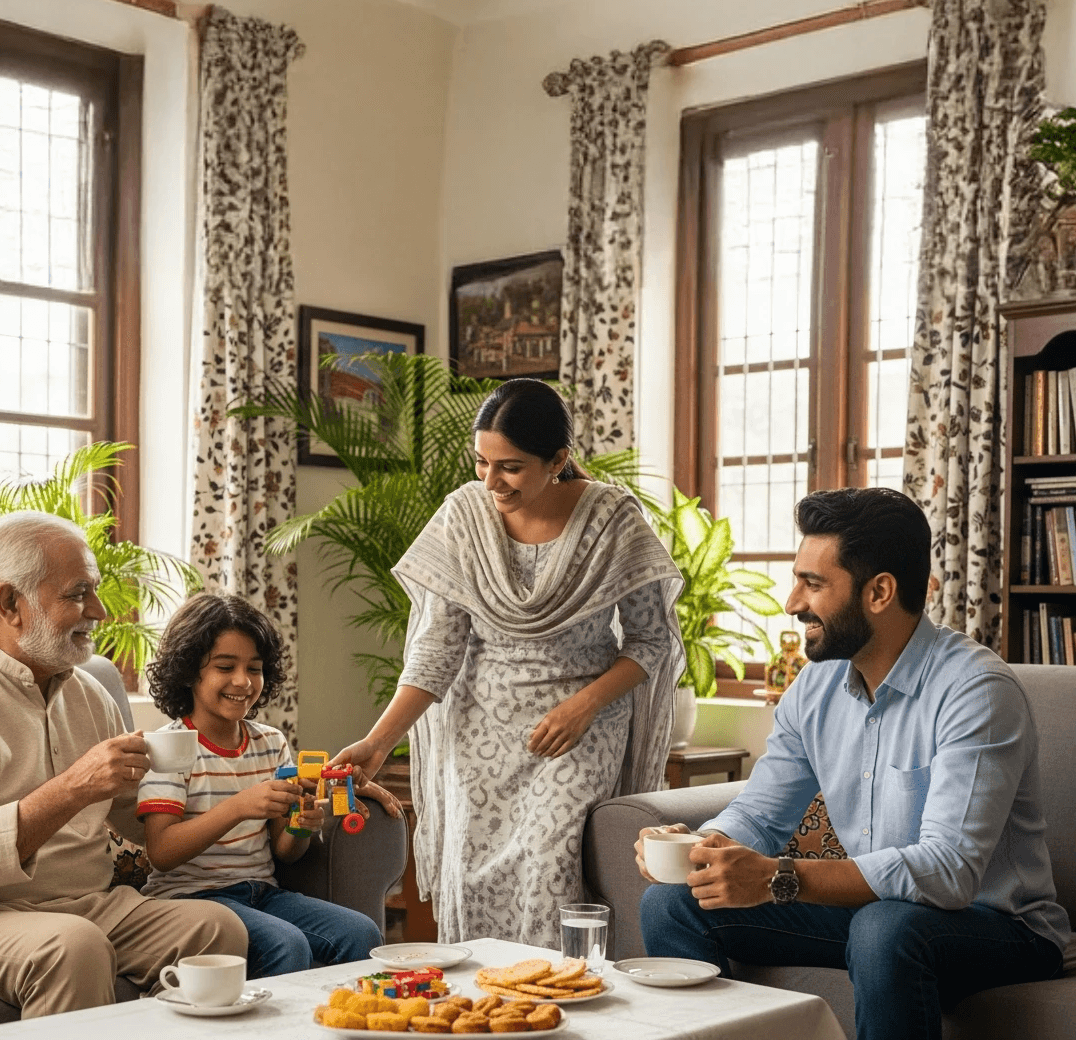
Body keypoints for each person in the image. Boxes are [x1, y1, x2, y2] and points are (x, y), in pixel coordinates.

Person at [635, 487, 1069, 1040]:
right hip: (878, 917)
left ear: (880, 592)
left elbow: (948, 872)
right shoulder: (814, 687)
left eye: (813, 584)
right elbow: (763, 816)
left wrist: (779, 878)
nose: (792, 603)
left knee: (884, 928)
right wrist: (702, 849)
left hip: (1002, 929)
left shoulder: (975, 690)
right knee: (673, 903)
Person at [332, 378, 685, 947]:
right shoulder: (462, 518)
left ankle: (557, 1009)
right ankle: (483, 1020)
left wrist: (586, 705)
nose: (491, 482)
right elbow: (436, 652)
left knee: (550, 872)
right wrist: (376, 744)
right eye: (482, 462)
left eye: (511, 467)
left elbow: (650, 641)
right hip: (478, 730)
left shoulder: (613, 518)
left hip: (577, 730)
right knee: (474, 883)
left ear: (558, 461)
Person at [0, 512, 248, 1017]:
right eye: (78, 593)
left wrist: (257, 800)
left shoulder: (89, 694)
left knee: (216, 928)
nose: (100, 611)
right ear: (9, 603)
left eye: (95, 591)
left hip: (79, 906)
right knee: (73, 946)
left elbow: (141, 816)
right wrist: (72, 789)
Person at [138, 592, 403, 976]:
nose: (243, 681)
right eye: (225, 667)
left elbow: (286, 852)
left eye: (255, 668)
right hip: (190, 900)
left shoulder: (270, 742)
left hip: (262, 892)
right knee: (286, 943)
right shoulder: (170, 747)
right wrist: (239, 806)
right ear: (189, 671)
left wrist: (300, 824)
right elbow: (161, 851)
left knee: (361, 932)